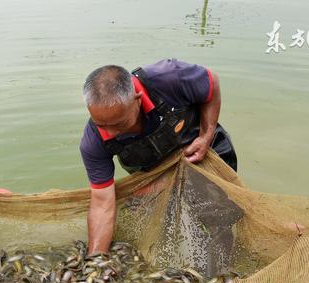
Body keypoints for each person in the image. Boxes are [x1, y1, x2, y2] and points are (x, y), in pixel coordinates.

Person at [79, 59, 238, 255]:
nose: (110, 134)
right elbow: (102, 203)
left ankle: (223, 261)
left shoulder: (169, 77)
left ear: (137, 100)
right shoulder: (93, 142)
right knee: (159, 220)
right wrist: (95, 260)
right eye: (101, 125)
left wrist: (206, 135)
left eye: (119, 124)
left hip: (202, 153)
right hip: (156, 174)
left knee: (218, 214)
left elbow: (211, 82)